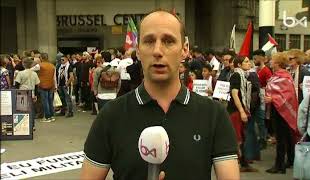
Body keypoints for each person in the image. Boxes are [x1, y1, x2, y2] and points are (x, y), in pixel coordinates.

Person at [81, 9, 239, 180]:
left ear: (184, 49)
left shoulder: (214, 115)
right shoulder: (111, 115)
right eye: (149, 41)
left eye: (168, 41)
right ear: (138, 51)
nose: (157, 50)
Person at [265, 52, 299, 174]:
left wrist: (273, 99)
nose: (270, 61)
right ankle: (285, 162)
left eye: (272, 60)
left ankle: (280, 166)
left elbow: (288, 95)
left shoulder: (284, 76)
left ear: (278, 63)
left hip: (282, 111)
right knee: (282, 138)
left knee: (281, 139)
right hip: (276, 109)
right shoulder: (276, 76)